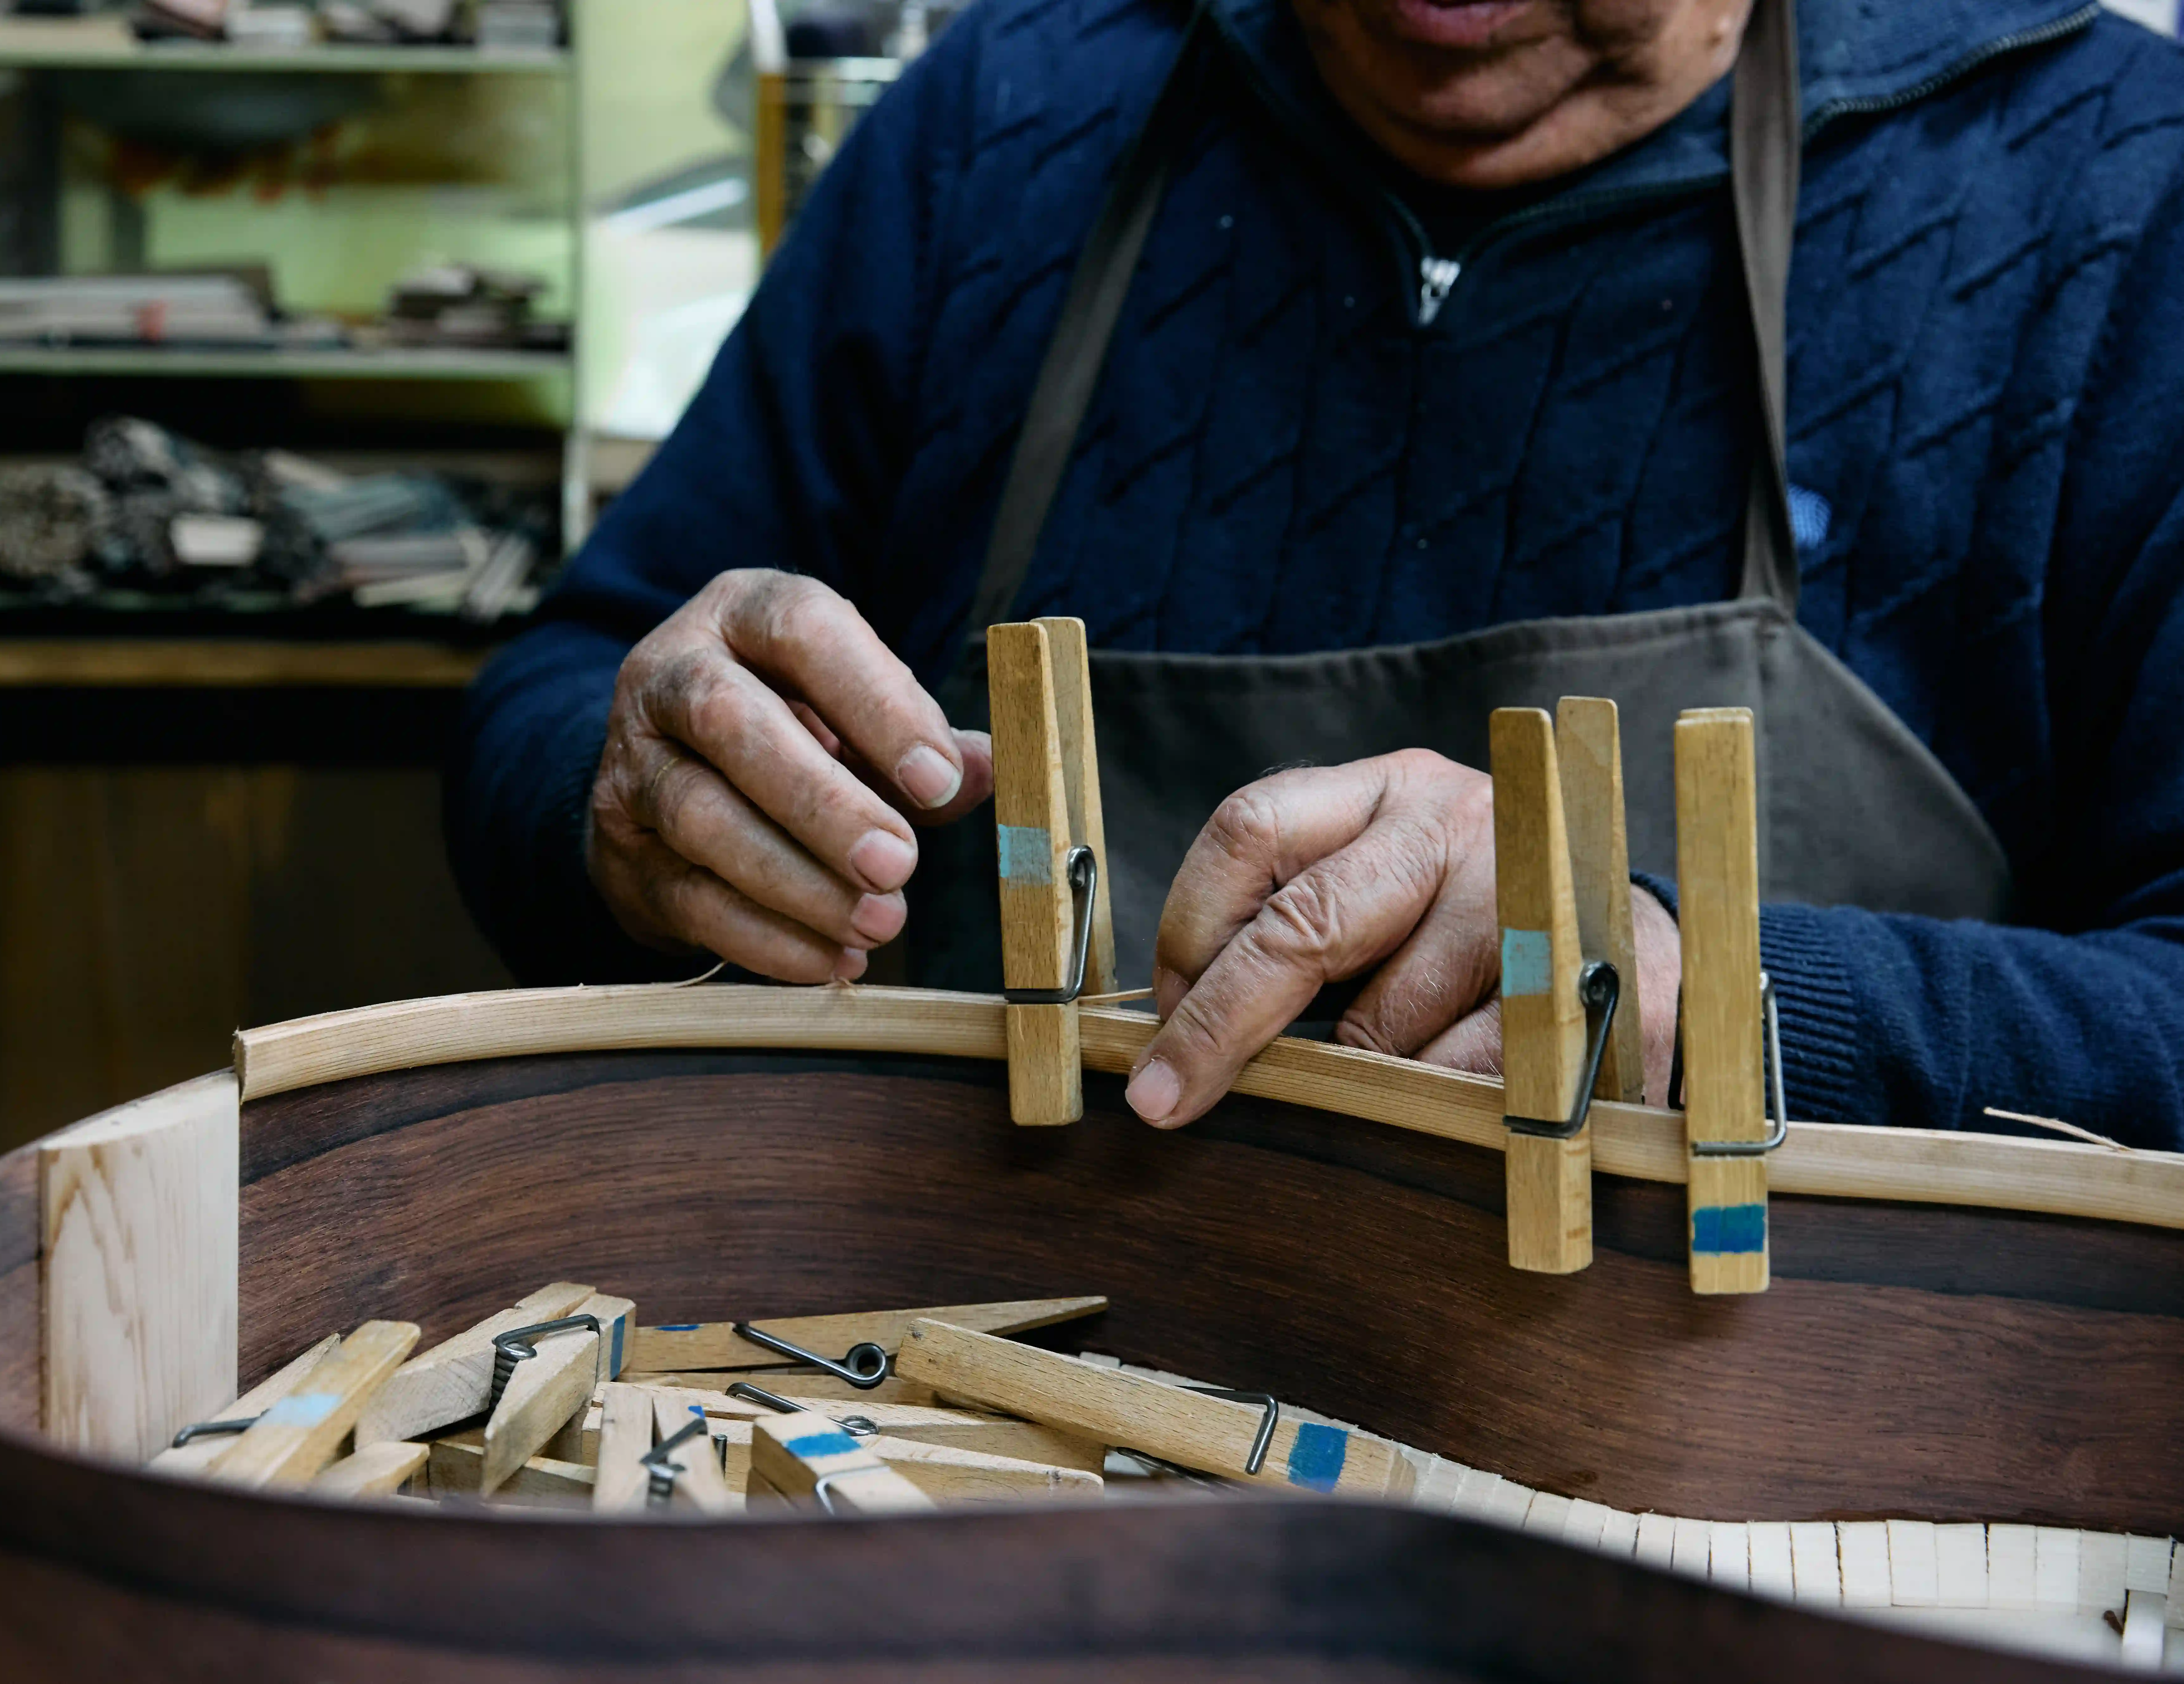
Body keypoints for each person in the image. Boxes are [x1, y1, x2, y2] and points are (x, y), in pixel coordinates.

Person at [449, 0, 2184, 1148]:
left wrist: (1719, 991)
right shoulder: (1013, 117)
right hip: (974, 1442)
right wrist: (622, 797)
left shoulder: (2111, 199)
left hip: (1759, 1502)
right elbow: (549, 699)